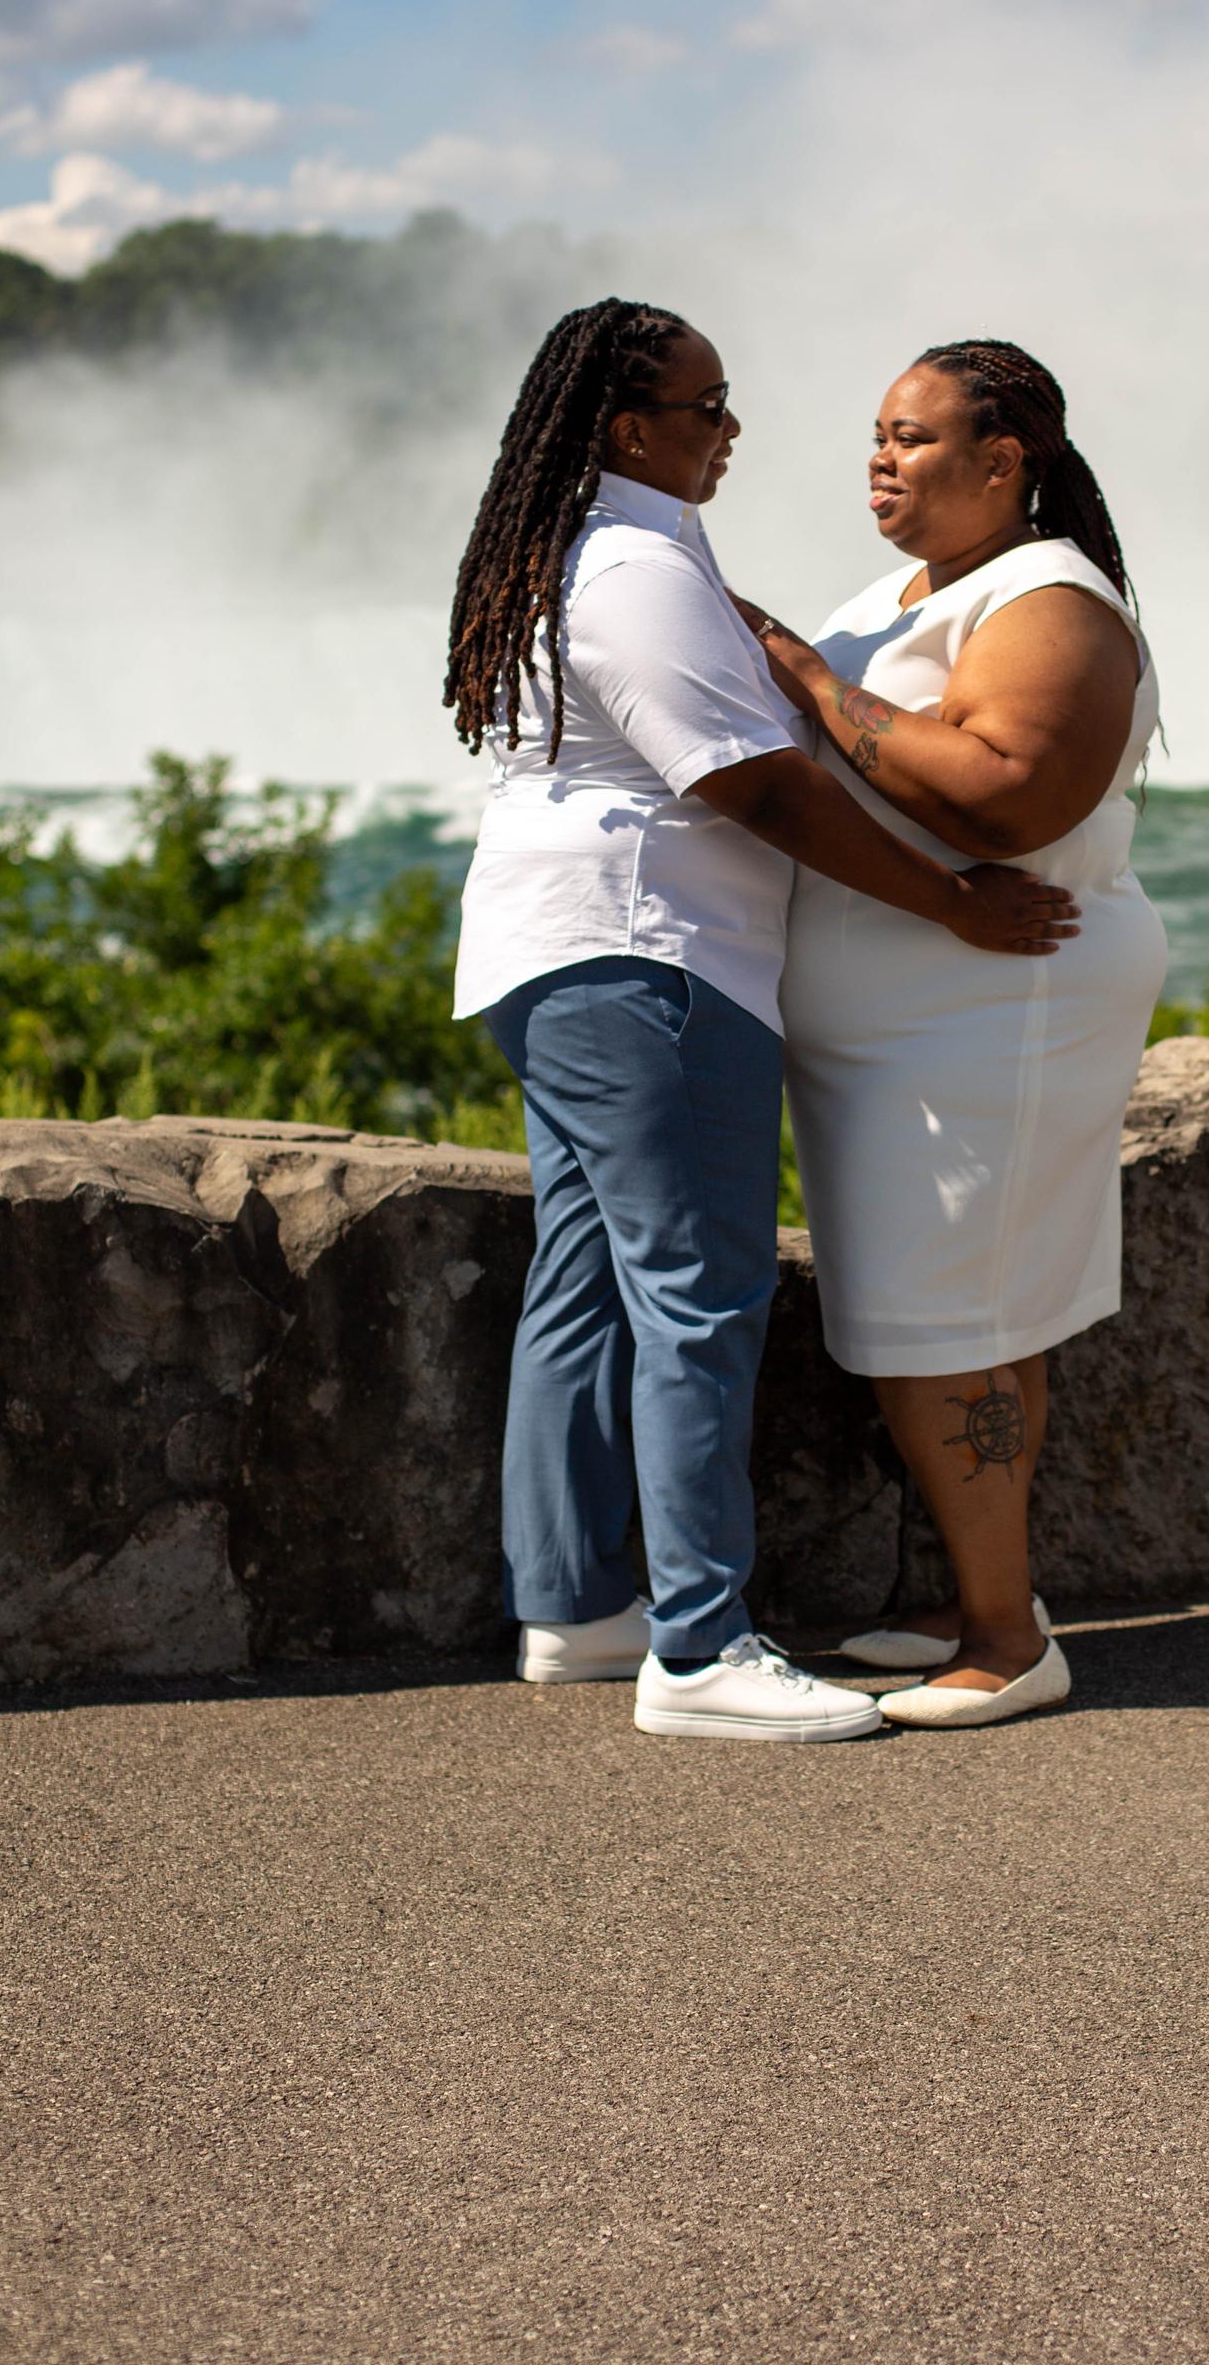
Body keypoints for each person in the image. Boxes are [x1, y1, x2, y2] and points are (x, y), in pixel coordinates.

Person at [445, 300, 1078, 1744]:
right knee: (700, 1294)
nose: (731, 431)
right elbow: (755, 788)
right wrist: (950, 901)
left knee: (586, 1282)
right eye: (706, 408)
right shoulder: (635, 569)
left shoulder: (589, 554)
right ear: (627, 429)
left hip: (563, 951)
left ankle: (575, 1609)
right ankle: (701, 1646)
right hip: (651, 959)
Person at [738, 337, 1166, 1731]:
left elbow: (1007, 799)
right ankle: (983, 1592)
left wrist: (804, 673)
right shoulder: (914, 593)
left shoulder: (1051, 601)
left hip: (994, 1013)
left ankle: (1004, 1640)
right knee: (982, 1311)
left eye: (916, 437)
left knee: (946, 1324)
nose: (881, 456)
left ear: (1006, 462)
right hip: (917, 1021)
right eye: (876, 432)